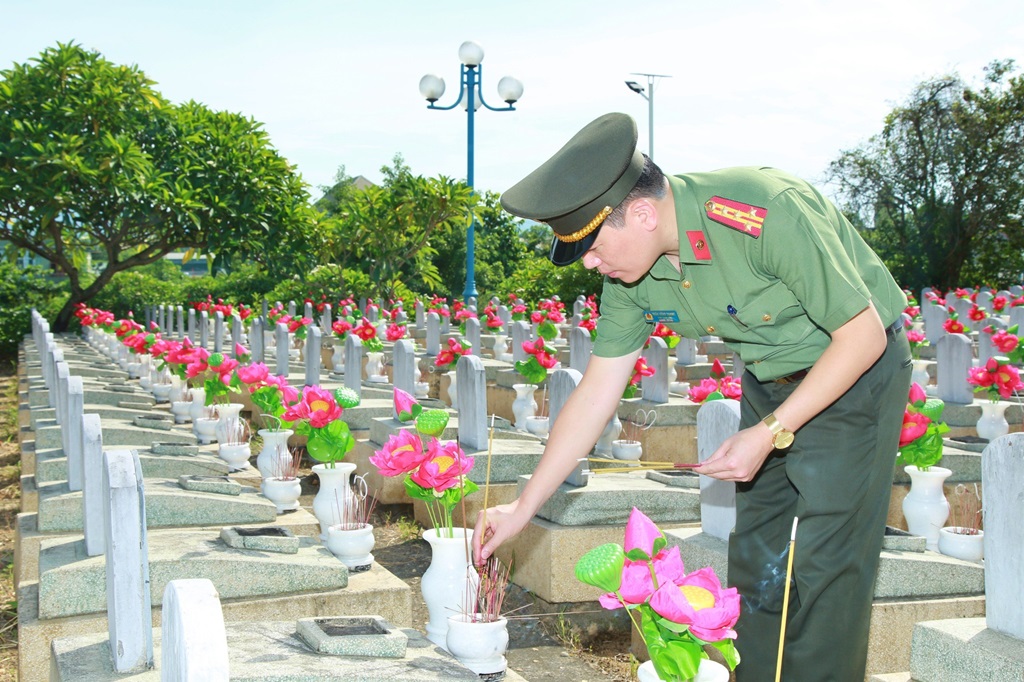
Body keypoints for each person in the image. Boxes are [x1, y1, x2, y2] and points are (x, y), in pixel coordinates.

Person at [472, 113, 911, 682]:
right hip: (770, 383)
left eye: (593, 245)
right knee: (756, 559)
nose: (588, 261)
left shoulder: (763, 211)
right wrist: (522, 507)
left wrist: (772, 431)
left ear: (645, 214)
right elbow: (597, 392)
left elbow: (863, 335)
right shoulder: (630, 277)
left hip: (855, 377)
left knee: (829, 565)